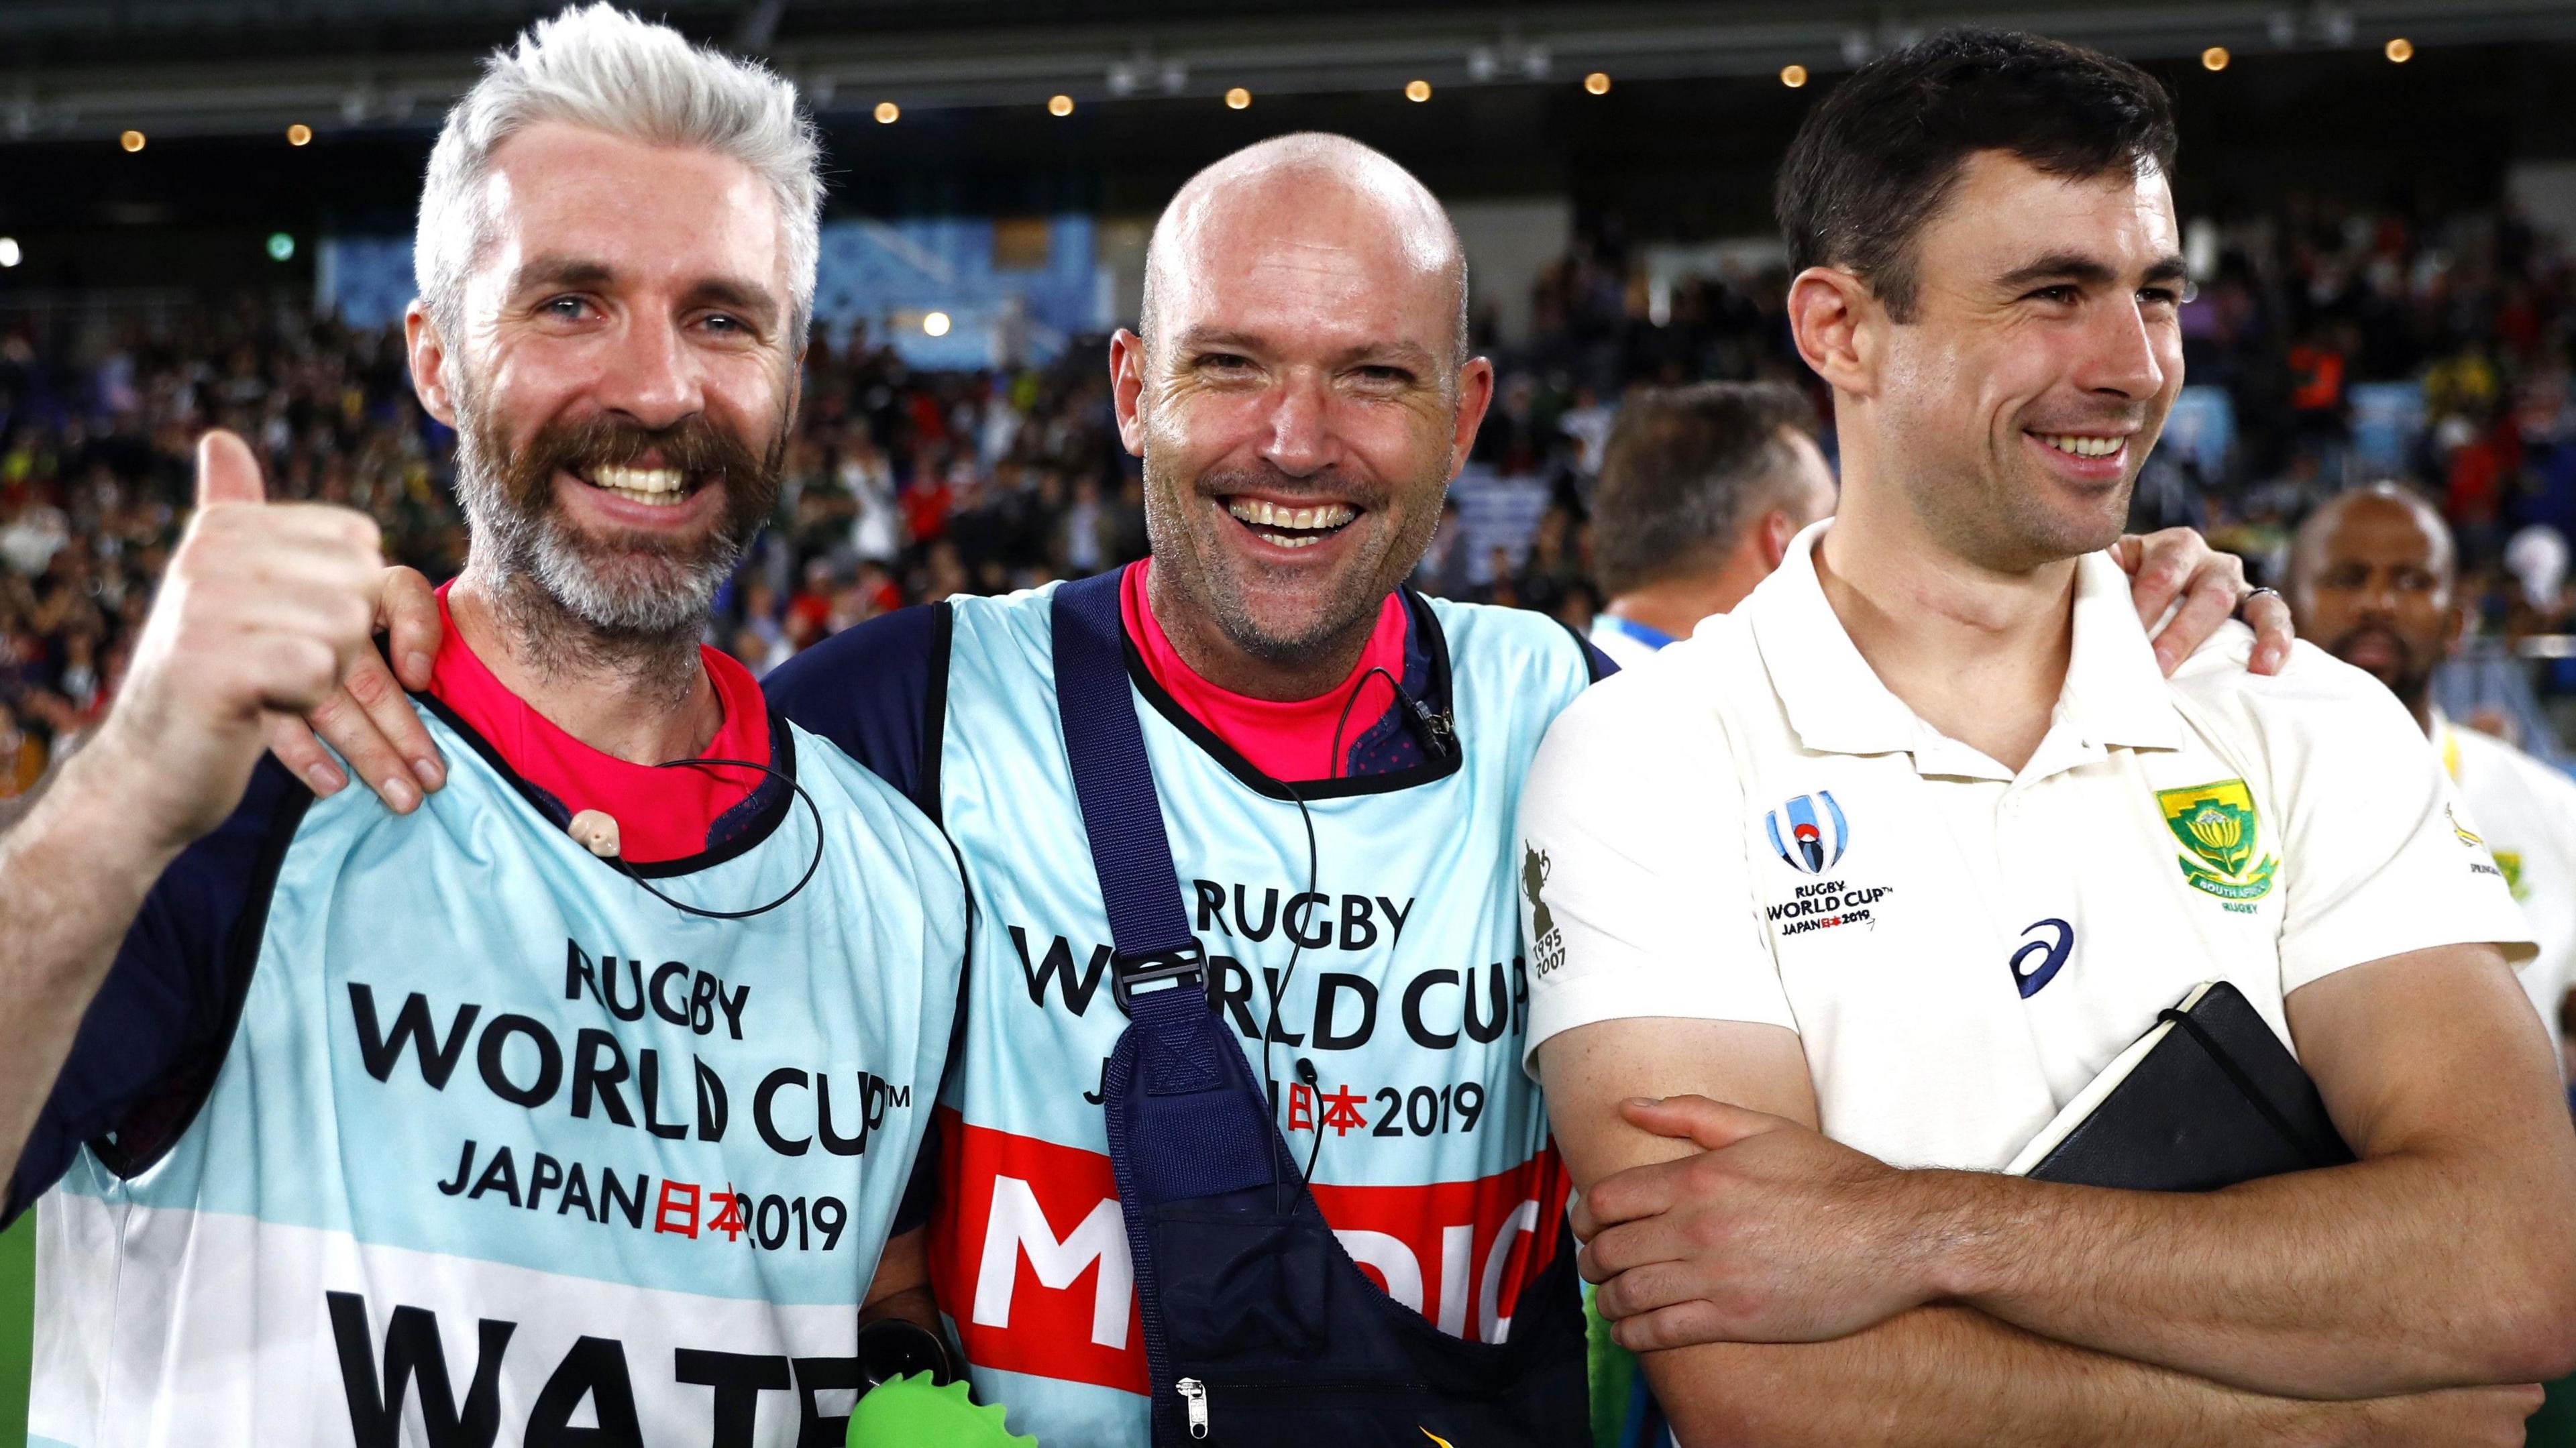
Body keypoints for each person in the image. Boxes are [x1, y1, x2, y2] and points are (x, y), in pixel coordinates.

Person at [294, 131, 2289, 1445]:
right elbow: (583, 905)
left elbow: (1936, 764)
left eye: (1372, 375)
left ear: (1467, 415)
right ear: (1128, 390)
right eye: (1231, 364)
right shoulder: (903, 700)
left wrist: (2091, 598)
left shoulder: (1592, 717)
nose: (1295, 441)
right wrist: (398, 653)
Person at [1518, 30, 2575, 1447]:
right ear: (1840, 328)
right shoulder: (1646, 755)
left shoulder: (2299, 710)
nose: (2135, 366)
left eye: (2155, 291)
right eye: (2053, 293)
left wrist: (1916, 1231)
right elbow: (1767, 1385)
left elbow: (2514, 1258)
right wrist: (2351, 1410)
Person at [0, 8, 965, 1443]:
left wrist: (905, 1382)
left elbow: (872, 1294)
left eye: (721, 316)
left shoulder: (904, 884)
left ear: (789, 378)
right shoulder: (254, 795)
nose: (655, 387)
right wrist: (133, 780)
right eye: (570, 302)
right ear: (438, 357)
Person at [2286, 484, 2576, 1072]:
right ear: (2282, 606)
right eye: (2346, 577)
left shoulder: (2553, 808)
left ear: (2458, 621)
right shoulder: (2223, 794)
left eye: (2413, 582)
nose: (2378, 603)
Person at [1585, 382, 1838, 668]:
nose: (1836, 552)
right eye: (1825, 527)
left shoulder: (1562, 685)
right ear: (1783, 542)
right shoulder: (1677, 705)